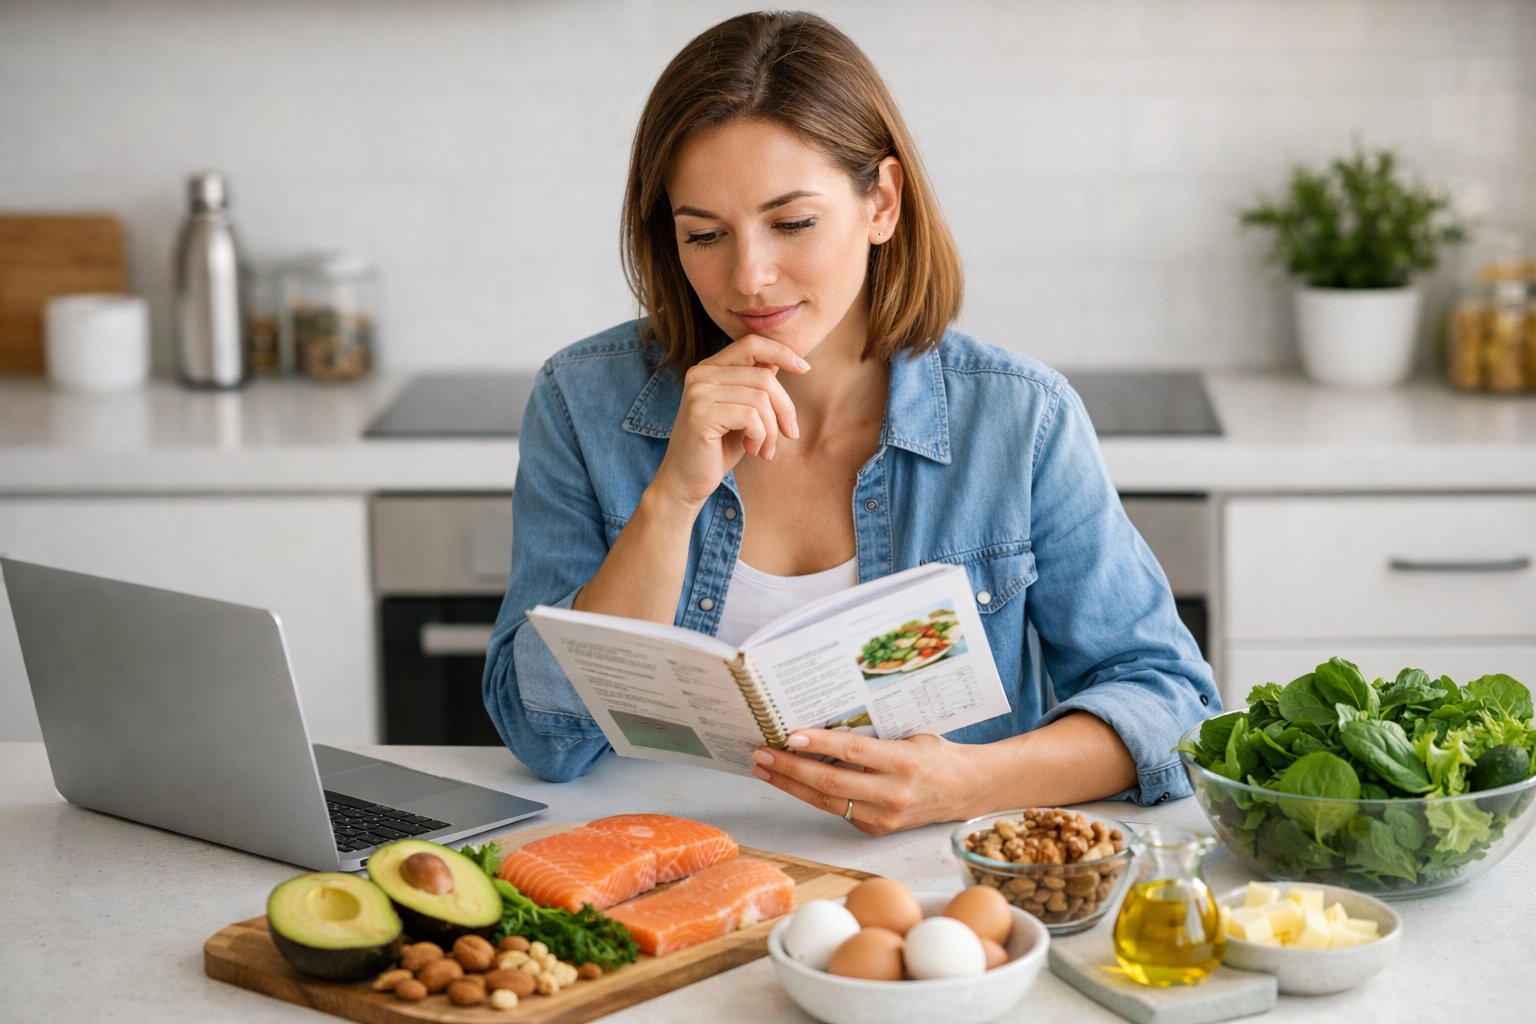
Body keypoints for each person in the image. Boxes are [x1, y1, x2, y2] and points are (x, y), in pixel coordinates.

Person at [483, 10, 1219, 835]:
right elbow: (543, 738)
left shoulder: (1018, 417)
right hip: (651, 875)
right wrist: (670, 502)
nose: (749, 277)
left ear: (883, 202)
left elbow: (1174, 704)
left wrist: (971, 782)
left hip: (934, 896)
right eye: (704, 235)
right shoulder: (581, 402)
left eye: (792, 223)